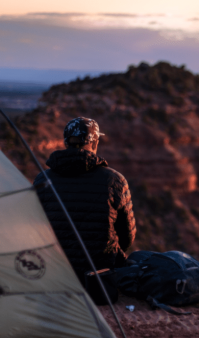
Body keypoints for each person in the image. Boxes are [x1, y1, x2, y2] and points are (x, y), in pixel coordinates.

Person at [34, 117, 136, 292]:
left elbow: (32, 227)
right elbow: (127, 235)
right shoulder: (114, 180)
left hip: (54, 278)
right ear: (95, 142)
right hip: (99, 281)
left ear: (66, 142)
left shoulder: (43, 179)